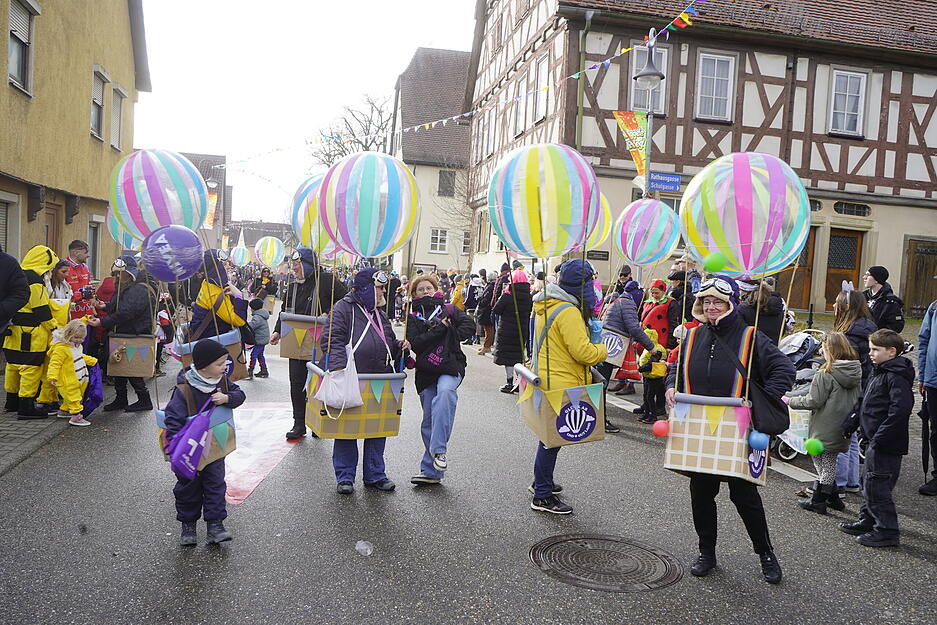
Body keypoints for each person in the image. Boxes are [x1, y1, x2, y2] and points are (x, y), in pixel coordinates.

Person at [664, 275, 794, 584]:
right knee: (701, 493)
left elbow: (784, 369)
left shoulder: (751, 337)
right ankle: (706, 553)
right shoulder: (693, 335)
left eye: (717, 302)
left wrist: (761, 398)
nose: (710, 307)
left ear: (730, 303)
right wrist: (671, 386)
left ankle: (765, 553)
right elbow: (674, 368)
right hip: (698, 429)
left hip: (737, 428)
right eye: (706, 301)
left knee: (744, 495)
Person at [529, 259, 608, 515]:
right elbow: (583, 352)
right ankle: (542, 494)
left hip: (548, 378)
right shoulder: (568, 311)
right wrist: (602, 348)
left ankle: (543, 482)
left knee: (549, 438)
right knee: (551, 441)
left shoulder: (547, 304)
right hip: (562, 382)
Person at [321, 269, 401, 493]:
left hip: (379, 377)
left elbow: (387, 340)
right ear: (367, 288)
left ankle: (375, 474)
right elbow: (331, 340)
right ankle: (345, 477)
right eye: (380, 287)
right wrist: (338, 370)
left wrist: (399, 348)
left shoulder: (380, 313)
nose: (384, 291)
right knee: (347, 428)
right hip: (351, 377)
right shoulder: (342, 308)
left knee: (377, 428)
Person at [164, 339, 246, 546]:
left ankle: (215, 525)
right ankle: (188, 525)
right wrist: (175, 446)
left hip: (215, 448)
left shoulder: (222, 383)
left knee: (215, 484)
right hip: (189, 450)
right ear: (203, 366)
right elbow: (172, 418)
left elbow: (240, 394)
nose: (224, 368)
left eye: (225, 363)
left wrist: (227, 398)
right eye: (219, 364)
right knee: (187, 488)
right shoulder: (184, 389)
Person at [839, 329, 914, 547]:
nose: (870, 353)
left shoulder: (896, 377)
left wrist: (880, 438)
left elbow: (899, 411)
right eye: (870, 349)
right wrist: (851, 423)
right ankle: (868, 519)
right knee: (867, 482)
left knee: (878, 486)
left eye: (875, 350)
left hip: (886, 443)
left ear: (892, 352)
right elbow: (863, 401)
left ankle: (887, 530)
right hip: (872, 439)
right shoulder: (878, 371)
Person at [269, 248, 348, 441]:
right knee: (296, 383)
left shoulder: (327, 281)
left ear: (307, 264)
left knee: (317, 383)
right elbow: (284, 310)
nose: (294, 268)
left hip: (320, 341)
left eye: (296, 264)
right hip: (294, 341)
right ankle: (299, 423)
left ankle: (316, 421)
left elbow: (345, 300)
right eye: (293, 265)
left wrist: (329, 312)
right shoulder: (293, 285)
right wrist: (278, 330)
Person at [405, 274, 475, 485]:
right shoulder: (413, 317)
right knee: (429, 419)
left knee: (445, 393)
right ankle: (431, 472)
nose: (425, 292)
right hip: (426, 371)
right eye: (420, 289)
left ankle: (439, 451)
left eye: (429, 288)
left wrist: (449, 330)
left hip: (451, 366)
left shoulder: (449, 309)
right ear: (414, 294)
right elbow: (416, 344)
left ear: (436, 289)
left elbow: (468, 328)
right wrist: (440, 329)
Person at [787, 332, 861, 513]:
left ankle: (818, 501)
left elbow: (814, 401)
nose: (821, 351)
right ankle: (834, 498)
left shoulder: (825, 373)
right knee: (827, 459)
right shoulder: (856, 370)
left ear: (830, 350)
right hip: (843, 424)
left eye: (824, 348)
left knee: (824, 462)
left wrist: (791, 401)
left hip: (824, 424)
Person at [87, 256, 156, 412]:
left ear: (130, 273)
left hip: (133, 334)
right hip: (125, 333)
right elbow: (121, 306)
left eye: (121, 273)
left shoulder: (138, 289)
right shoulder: (129, 286)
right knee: (118, 367)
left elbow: (127, 313)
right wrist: (105, 306)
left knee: (132, 369)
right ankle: (121, 398)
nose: (117, 276)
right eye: (116, 273)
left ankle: (144, 400)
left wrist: (102, 322)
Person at [3, 245, 60, 418]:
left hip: (12, 330)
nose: (51, 271)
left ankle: (11, 402)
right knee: (30, 368)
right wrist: (55, 327)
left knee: (12, 367)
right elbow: (41, 310)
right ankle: (26, 407)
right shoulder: (35, 281)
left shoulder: (16, 275)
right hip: (31, 334)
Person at [831, 289, 877, 495]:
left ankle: (838, 484)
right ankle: (850, 481)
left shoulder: (852, 334)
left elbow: (846, 368)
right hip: (861, 389)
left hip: (851, 390)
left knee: (840, 434)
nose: (833, 306)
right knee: (849, 435)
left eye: (837, 303)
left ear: (847, 307)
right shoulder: (863, 328)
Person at [597, 287, 654, 413]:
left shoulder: (619, 300)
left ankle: (601, 417)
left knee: (600, 383)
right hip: (612, 345)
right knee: (602, 384)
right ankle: (602, 418)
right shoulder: (628, 303)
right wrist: (651, 347)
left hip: (605, 342)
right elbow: (634, 328)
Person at [38, 319, 98, 427]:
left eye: (81, 338)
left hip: (79, 377)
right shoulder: (61, 349)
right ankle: (76, 416)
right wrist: (52, 376)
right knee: (74, 397)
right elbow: (54, 364)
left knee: (76, 394)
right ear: (68, 334)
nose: (79, 340)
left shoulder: (77, 346)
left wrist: (92, 360)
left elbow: (79, 356)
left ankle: (64, 410)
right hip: (67, 380)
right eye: (76, 337)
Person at [188, 250, 248, 342]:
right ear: (218, 268)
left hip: (207, 338)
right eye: (224, 264)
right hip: (211, 343)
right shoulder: (214, 292)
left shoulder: (208, 282)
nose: (229, 267)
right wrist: (239, 297)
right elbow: (238, 320)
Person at [493, 269, 533, 393]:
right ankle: (519, 382)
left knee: (508, 358)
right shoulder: (529, 297)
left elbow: (496, 310)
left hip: (507, 330)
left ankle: (510, 383)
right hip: (522, 330)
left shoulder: (508, 295)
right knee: (517, 356)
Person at [918, 288, 937, 496]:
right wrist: (922, 375)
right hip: (934, 380)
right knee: (935, 431)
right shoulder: (934, 308)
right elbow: (924, 341)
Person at [737, 280, 786, 345]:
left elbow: (737, 332)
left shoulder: (743, 308)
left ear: (744, 291)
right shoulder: (779, 306)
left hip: (748, 351)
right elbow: (782, 330)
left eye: (739, 290)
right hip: (772, 351)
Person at [635, 329, 668, 424]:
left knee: (650, 396)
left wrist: (639, 368)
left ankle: (653, 415)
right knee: (646, 396)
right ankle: (647, 413)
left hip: (655, 377)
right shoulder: (649, 348)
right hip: (648, 376)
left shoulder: (656, 350)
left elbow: (651, 364)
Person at [863, 266, 905, 333]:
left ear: (877, 279)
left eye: (868, 275)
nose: (864, 277)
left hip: (878, 340)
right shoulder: (863, 296)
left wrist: (878, 335)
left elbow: (896, 326)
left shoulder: (890, 301)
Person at [64, 240, 96, 321]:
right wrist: (80, 295)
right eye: (86, 252)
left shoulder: (85, 268)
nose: (88, 255)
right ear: (76, 253)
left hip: (87, 315)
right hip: (72, 316)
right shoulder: (64, 268)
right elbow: (62, 295)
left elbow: (88, 289)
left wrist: (93, 302)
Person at [666, 270, 694, 349]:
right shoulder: (676, 294)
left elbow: (679, 315)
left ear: (678, 282)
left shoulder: (685, 297)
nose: (670, 283)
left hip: (681, 330)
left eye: (672, 281)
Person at [247, 298, 270, 379]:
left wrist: (244, 325)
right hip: (262, 339)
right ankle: (264, 371)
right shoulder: (262, 315)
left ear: (253, 308)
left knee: (253, 355)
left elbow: (252, 325)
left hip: (260, 340)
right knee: (260, 355)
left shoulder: (257, 317)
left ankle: (250, 371)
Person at [475, 272, 496, 355]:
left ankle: (487, 346)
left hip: (487, 310)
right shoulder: (491, 285)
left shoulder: (491, 286)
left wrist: (480, 300)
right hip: (487, 309)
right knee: (487, 329)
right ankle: (486, 345)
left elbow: (487, 298)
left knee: (488, 329)